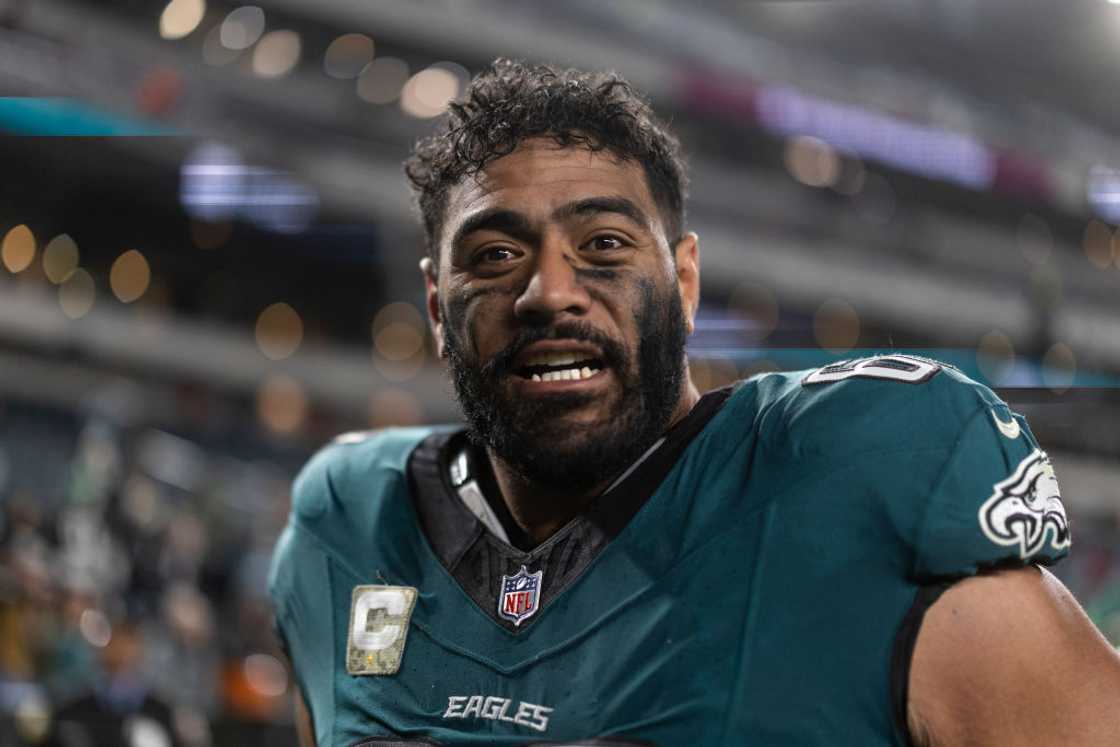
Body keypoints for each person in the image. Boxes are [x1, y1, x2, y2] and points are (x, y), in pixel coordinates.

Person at [268, 59, 1120, 747]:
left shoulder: (847, 492)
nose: (548, 292)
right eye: (494, 253)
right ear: (435, 304)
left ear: (683, 280)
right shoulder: (346, 525)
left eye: (602, 244)